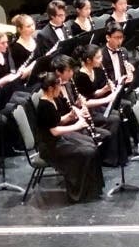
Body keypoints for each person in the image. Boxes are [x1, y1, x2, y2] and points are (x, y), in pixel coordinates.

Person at [32, 71, 105, 203]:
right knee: (87, 151)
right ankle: (80, 193)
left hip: (58, 140)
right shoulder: (44, 106)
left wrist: (70, 117)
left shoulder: (51, 100)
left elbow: (56, 121)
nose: (60, 89)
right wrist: (77, 126)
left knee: (91, 144)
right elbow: (54, 131)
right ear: (50, 88)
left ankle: (93, 189)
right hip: (50, 146)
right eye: (58, 86)